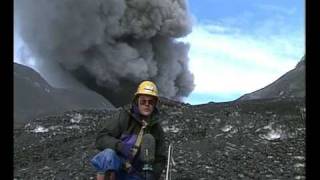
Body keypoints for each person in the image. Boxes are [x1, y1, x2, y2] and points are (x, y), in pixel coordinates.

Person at [90, 80, 167, 180]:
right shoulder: (124, 117)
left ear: (155, 104)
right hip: (118, 168)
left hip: (136, 174)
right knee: (108, 155)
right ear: (137, 101)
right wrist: (120, 146)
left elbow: (160, 158)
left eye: (151, 102)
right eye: (143, 101)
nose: (147, 104)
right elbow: (101, 138)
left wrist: (152, 175)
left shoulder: (157, 129)